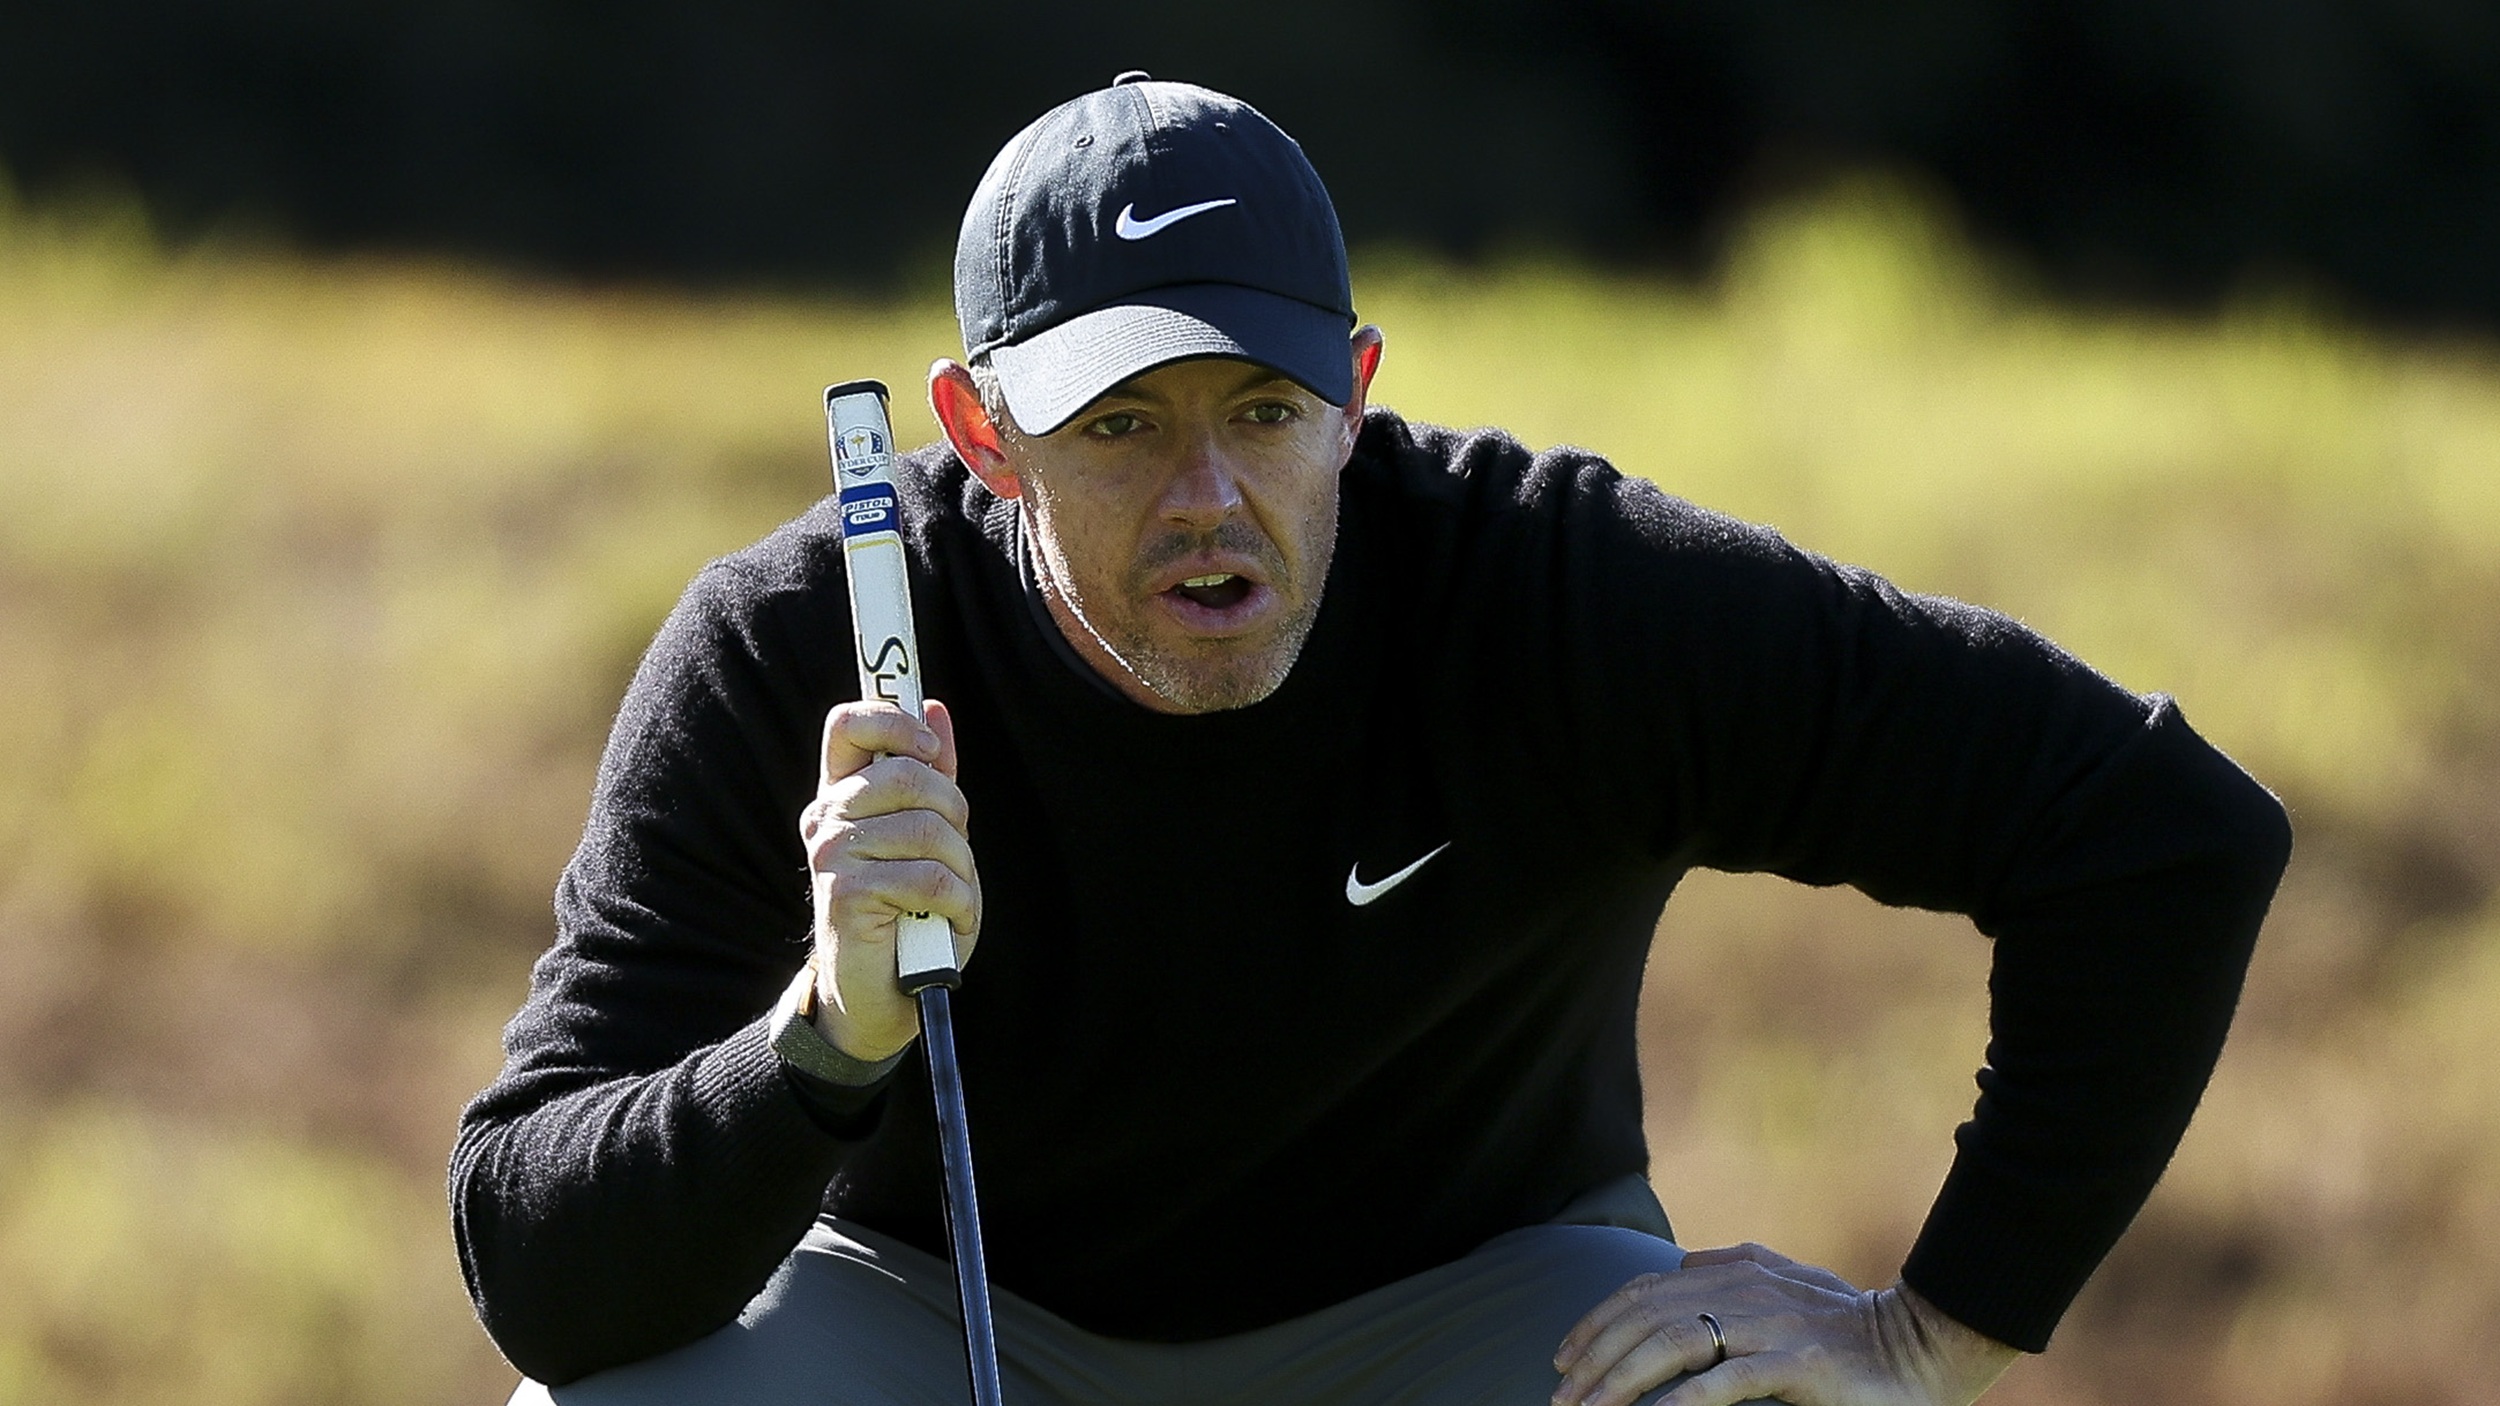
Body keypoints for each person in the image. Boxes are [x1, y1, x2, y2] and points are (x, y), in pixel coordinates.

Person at [451, 74, 2292, 1406]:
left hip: (1473, 1306)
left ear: (1359, 391)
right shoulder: (799, 646)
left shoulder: (1558, 589)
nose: (1209, 497)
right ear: (977, 426)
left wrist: (1930, 1335)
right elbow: (534, 1264)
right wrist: (818, 1040)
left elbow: (2155, 833)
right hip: (933, 1309)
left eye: (1265, 409)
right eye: (1119, 427)